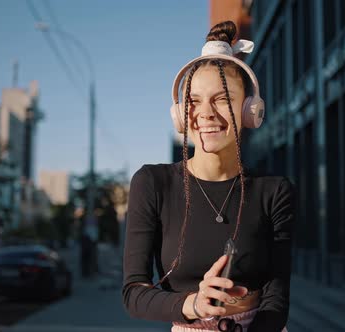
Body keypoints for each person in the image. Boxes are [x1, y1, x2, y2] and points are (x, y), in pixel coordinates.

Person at [122, 21, 294, 332]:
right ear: (180, 113)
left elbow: (276, 298)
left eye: (221, 98)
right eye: (194, 101)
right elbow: (134, 292)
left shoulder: (274, 191)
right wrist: (193, 305)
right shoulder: (152, 184)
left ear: (250, 109)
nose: (205, 113)